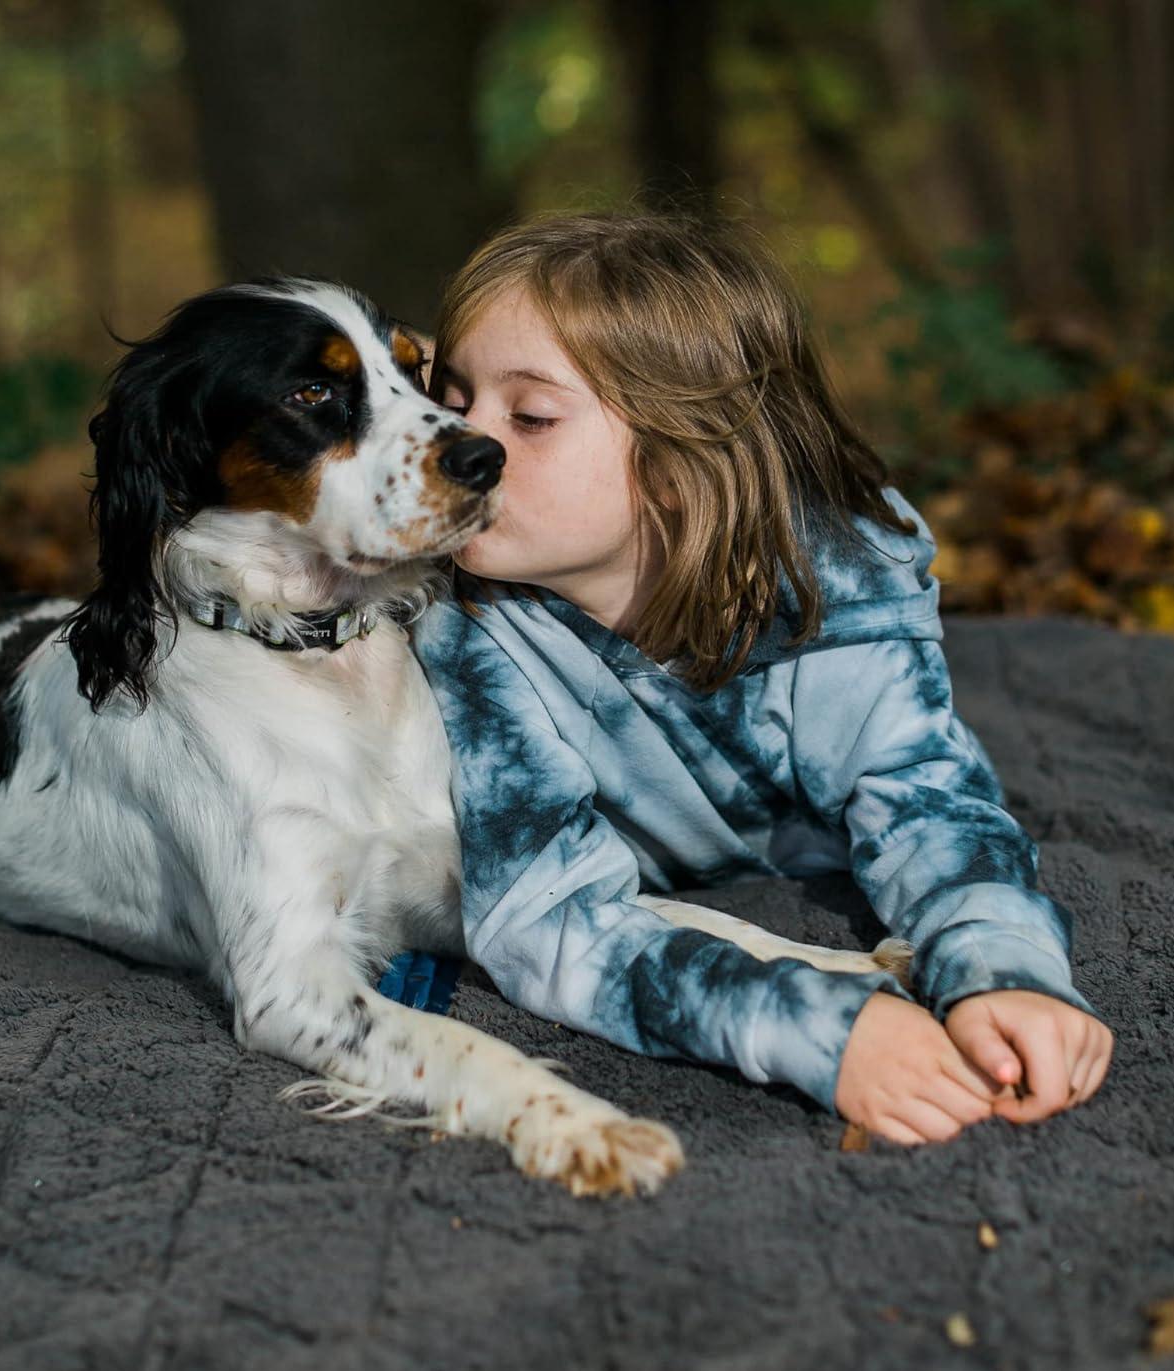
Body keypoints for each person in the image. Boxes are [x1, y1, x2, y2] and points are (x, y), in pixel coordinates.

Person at [406, 208, 1114, 1146]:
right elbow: (544, 918)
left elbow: (930, 805)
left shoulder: (839, 580)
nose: (458, 439)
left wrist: (1007, 975)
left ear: (678, 462)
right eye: (452, 400)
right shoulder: (464, 625)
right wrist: (813, 1026)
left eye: (529, 416)